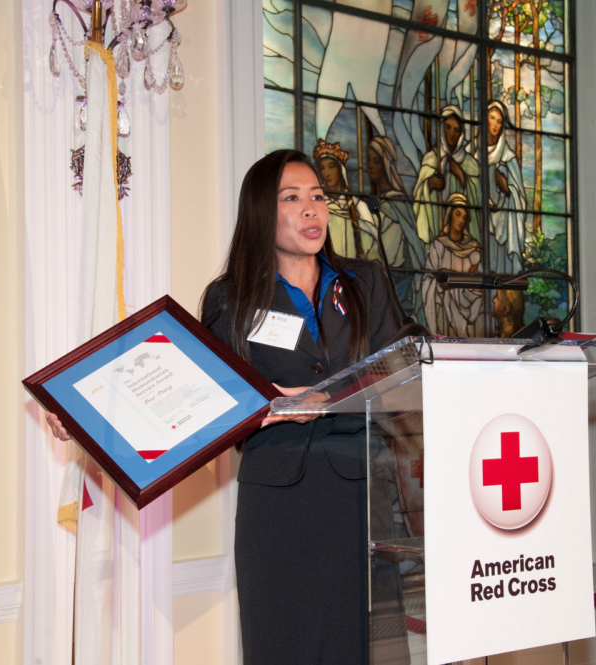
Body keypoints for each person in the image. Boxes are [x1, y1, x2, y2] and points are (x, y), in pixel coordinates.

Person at [200, 149, 409, 664]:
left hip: (360, 495)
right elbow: (207, 398)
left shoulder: (364, 282)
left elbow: (400, 374)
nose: (312, 208)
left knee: (361, 648)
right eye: (291, 198)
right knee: (284, 645)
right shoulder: (230, 298)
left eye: (318, 195)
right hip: (279, 507)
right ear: (261, 212)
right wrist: (265, 403)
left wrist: (331, 398)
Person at [366, 135, 427, 326]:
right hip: (383, 277)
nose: (370, 165)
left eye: (376, 161)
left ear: (386, 164)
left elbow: (405, 246)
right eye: (368, 160)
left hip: (398, 279)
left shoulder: (397, 203)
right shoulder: (377, 204)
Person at [413, 105, 482, 246]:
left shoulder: (470, 164)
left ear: (461, 133)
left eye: (456, 130)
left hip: (460, 233)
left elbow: (478, 202)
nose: (452, 133)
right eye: (448, 127)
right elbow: (417, 199)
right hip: (435, 223)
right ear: (441, 128)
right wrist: (429, 185)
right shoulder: (431, 159)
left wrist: (462, 176)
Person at [422, 192, 484, 337]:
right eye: (457, 214)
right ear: (450, 214)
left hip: (469, 310)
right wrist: (441, 283)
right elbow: (427, 279)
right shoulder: (438, 246)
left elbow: (480, 281)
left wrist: (472, 286)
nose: (461, 220)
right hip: (443, 311)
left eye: (464, 217)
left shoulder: (473, 250)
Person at [313, 138, 377, 259]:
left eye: (331, 166)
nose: (326, 173)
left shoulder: (358, 206)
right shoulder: (316, 207)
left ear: (340, 169)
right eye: (321, 168)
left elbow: (373, 244)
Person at [486, 100, 526, 274]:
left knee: (503, 270)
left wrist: (508, 190)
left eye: (499, 121)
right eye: (492, 118)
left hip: (505, 226)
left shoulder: (508, 158)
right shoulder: (472, 153)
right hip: (480, 223)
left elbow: (520, 199)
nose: (495, 124)